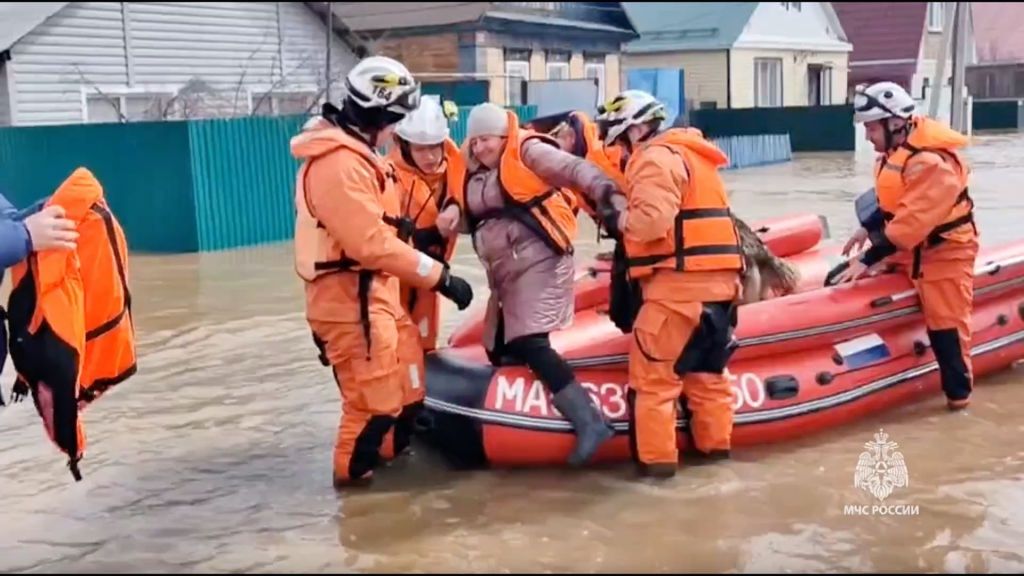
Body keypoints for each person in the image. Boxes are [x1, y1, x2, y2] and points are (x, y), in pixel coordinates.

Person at [291, 55, 474, 488]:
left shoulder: (359, 156)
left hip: (376, 296)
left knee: (407, 394)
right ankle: (357, 502)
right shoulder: (339, 164)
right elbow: (369, 243)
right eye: (395, 121)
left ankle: (392, 475)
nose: (396, 132)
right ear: (380, 115)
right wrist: (440, 276)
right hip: (350, 301)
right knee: (372, 408)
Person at [460, 102, 621, 467]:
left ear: (503, 136)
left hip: (543, 261)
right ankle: (523, 424)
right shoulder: (473, 170)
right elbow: (475, 215)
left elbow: (574, 168)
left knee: (530, 341)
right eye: (475, 141)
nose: (480, 148)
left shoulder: (529, 151)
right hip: (505, 270)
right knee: (499, 348)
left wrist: (606, 190)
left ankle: (591, 422)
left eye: (486, 140)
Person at [598, 89, 745, 479]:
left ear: (638, 129)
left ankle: (656, 477)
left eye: (620, 138)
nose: (620, 149)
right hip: (721, 292)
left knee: (653, 386)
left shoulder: (654, 159)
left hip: (677, 293)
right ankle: (716, 465)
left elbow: (651, 222)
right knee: (708, 382)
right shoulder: (695, 157)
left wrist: (617, 220)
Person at [831, 81, 977, 411]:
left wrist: (870, 258)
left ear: (894, 123)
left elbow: (912, 222)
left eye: (870, 127)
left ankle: (958, 399)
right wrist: (866, 229)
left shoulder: (930, 163)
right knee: (838, 279)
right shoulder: (894, 155)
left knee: (946, 329)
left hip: (944, 253)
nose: (867, 136)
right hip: (908, 250)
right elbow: (893, 201)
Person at [381, 97, 466, 460]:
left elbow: (461, 178)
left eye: (435, 147)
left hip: (429, 283)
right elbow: (378, 243)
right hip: (395, 284)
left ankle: (417, 418)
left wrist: (455, 206)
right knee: (394, 360)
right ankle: (391, 441)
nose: (431, 156)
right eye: (422, 149)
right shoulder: (388, 178)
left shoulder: (452, 164)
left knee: (425, 349)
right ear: (403, 145)